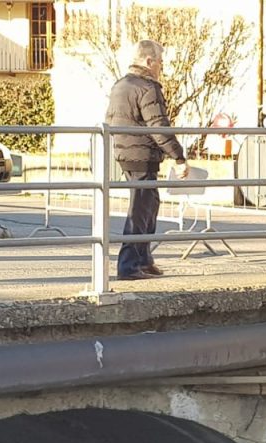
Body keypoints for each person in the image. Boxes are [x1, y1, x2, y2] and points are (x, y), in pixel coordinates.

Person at [105, 39, 189, 280]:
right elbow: (158, 126)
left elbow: (112, 118)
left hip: (125, 152)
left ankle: (143, 259)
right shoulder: (147, 88)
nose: (161, 67)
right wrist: (179, 157)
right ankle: (129, 266)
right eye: (160, 62)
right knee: (140, 210)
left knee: (149, 205)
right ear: (149, 60)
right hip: (141, 154)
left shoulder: (120, 85)